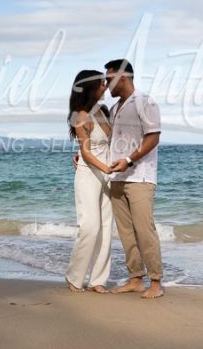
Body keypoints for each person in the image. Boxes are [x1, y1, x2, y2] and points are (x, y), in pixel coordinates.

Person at [105, 59, 164, 299]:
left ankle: (156, 283)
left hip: (140, 177)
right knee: (126, 232)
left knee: (144, 230)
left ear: (123, 77)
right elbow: (110, 140)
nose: (106, 83)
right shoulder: (114, 108)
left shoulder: (144, 101)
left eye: (109, 79)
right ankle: (135, 279)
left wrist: (128, 160)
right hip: (117, 178)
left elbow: (153, 137)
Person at [65, 69, 113, 293]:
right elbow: (86, 152)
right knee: (90, 227)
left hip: (109, 174)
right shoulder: (79, 116)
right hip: (89, 173)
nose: (105, 86)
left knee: (105, 228)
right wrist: (106, 168)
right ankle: (75, 277)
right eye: (102, 83)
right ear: (91, 88)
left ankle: (97, 281)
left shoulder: (104, 111)